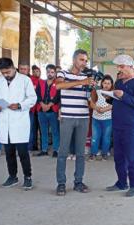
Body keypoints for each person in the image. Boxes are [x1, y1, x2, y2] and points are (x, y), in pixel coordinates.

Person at [0, 57, 37, 190]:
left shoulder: (25, 80)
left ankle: (28, 177)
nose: (6, 75)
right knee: (9, 152)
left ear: (13, 67)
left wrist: (19, 105)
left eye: (8, 72)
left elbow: (32, 98)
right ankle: (12, 177)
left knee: (23, 153)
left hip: (19, 121)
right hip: (5, 120)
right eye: (3, 73)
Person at [105, 55, 134, 197]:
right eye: (118, 67)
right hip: (117, 124)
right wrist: (110, 98)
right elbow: (118, 102)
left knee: (132, 156)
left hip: (131, 126)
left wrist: (123, 95)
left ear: (131, 67)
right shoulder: (119, 82)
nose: (119, 69)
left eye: (121, 66)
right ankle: (121, 182)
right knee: (119, 156)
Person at [54, 49, 94, 196]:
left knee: (80, 153)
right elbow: (58, 86)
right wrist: (81, 82)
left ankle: (78, 182)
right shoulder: (63, 73)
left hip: (83, 117)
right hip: (67, 117)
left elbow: (90, 100)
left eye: (85, 60)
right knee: (63, 152)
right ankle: (61, 184)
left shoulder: (87, 77)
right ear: (74, 60)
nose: (84, 63)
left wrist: (93, 87)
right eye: (81, 60)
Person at [35, 64, 60, 158]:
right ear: (46, 72)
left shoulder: (58, 83)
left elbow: (58, 96)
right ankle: (44, 150)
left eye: (52, 72)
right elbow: (37, 95)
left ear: (55, 73)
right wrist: (42, 104)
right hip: (41, 111)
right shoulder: (40, 82)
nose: (50, 74)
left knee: (55, 131)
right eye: (48, 72)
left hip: (53, 111)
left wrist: (49, 105)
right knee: (43, 131)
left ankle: (56, 150)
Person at [88, 75, 114, 161]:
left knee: (106, 138)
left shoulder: (113, 93)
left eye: (108, 83)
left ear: (111, 84)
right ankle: (93, 154)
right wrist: (96, 108)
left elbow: (112, 105)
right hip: (96, 119)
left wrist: (103, 110)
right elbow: (91, 103)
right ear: (102, 83)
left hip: (108, 120)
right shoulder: (97, 91)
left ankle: (104, 154)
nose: (106, 85)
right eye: (105, 83)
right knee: (95, 137)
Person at [18, 62, 40, 151]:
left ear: (28, 70)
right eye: (21, 69)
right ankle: (19, 146)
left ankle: (29, 148)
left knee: (30, 129)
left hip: (30, 110)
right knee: (19, 129)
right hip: (17, 110)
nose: (23, 71)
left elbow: (34, 96)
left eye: (25, 69)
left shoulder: (32, 80)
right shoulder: (14, 81)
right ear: (18, 69)